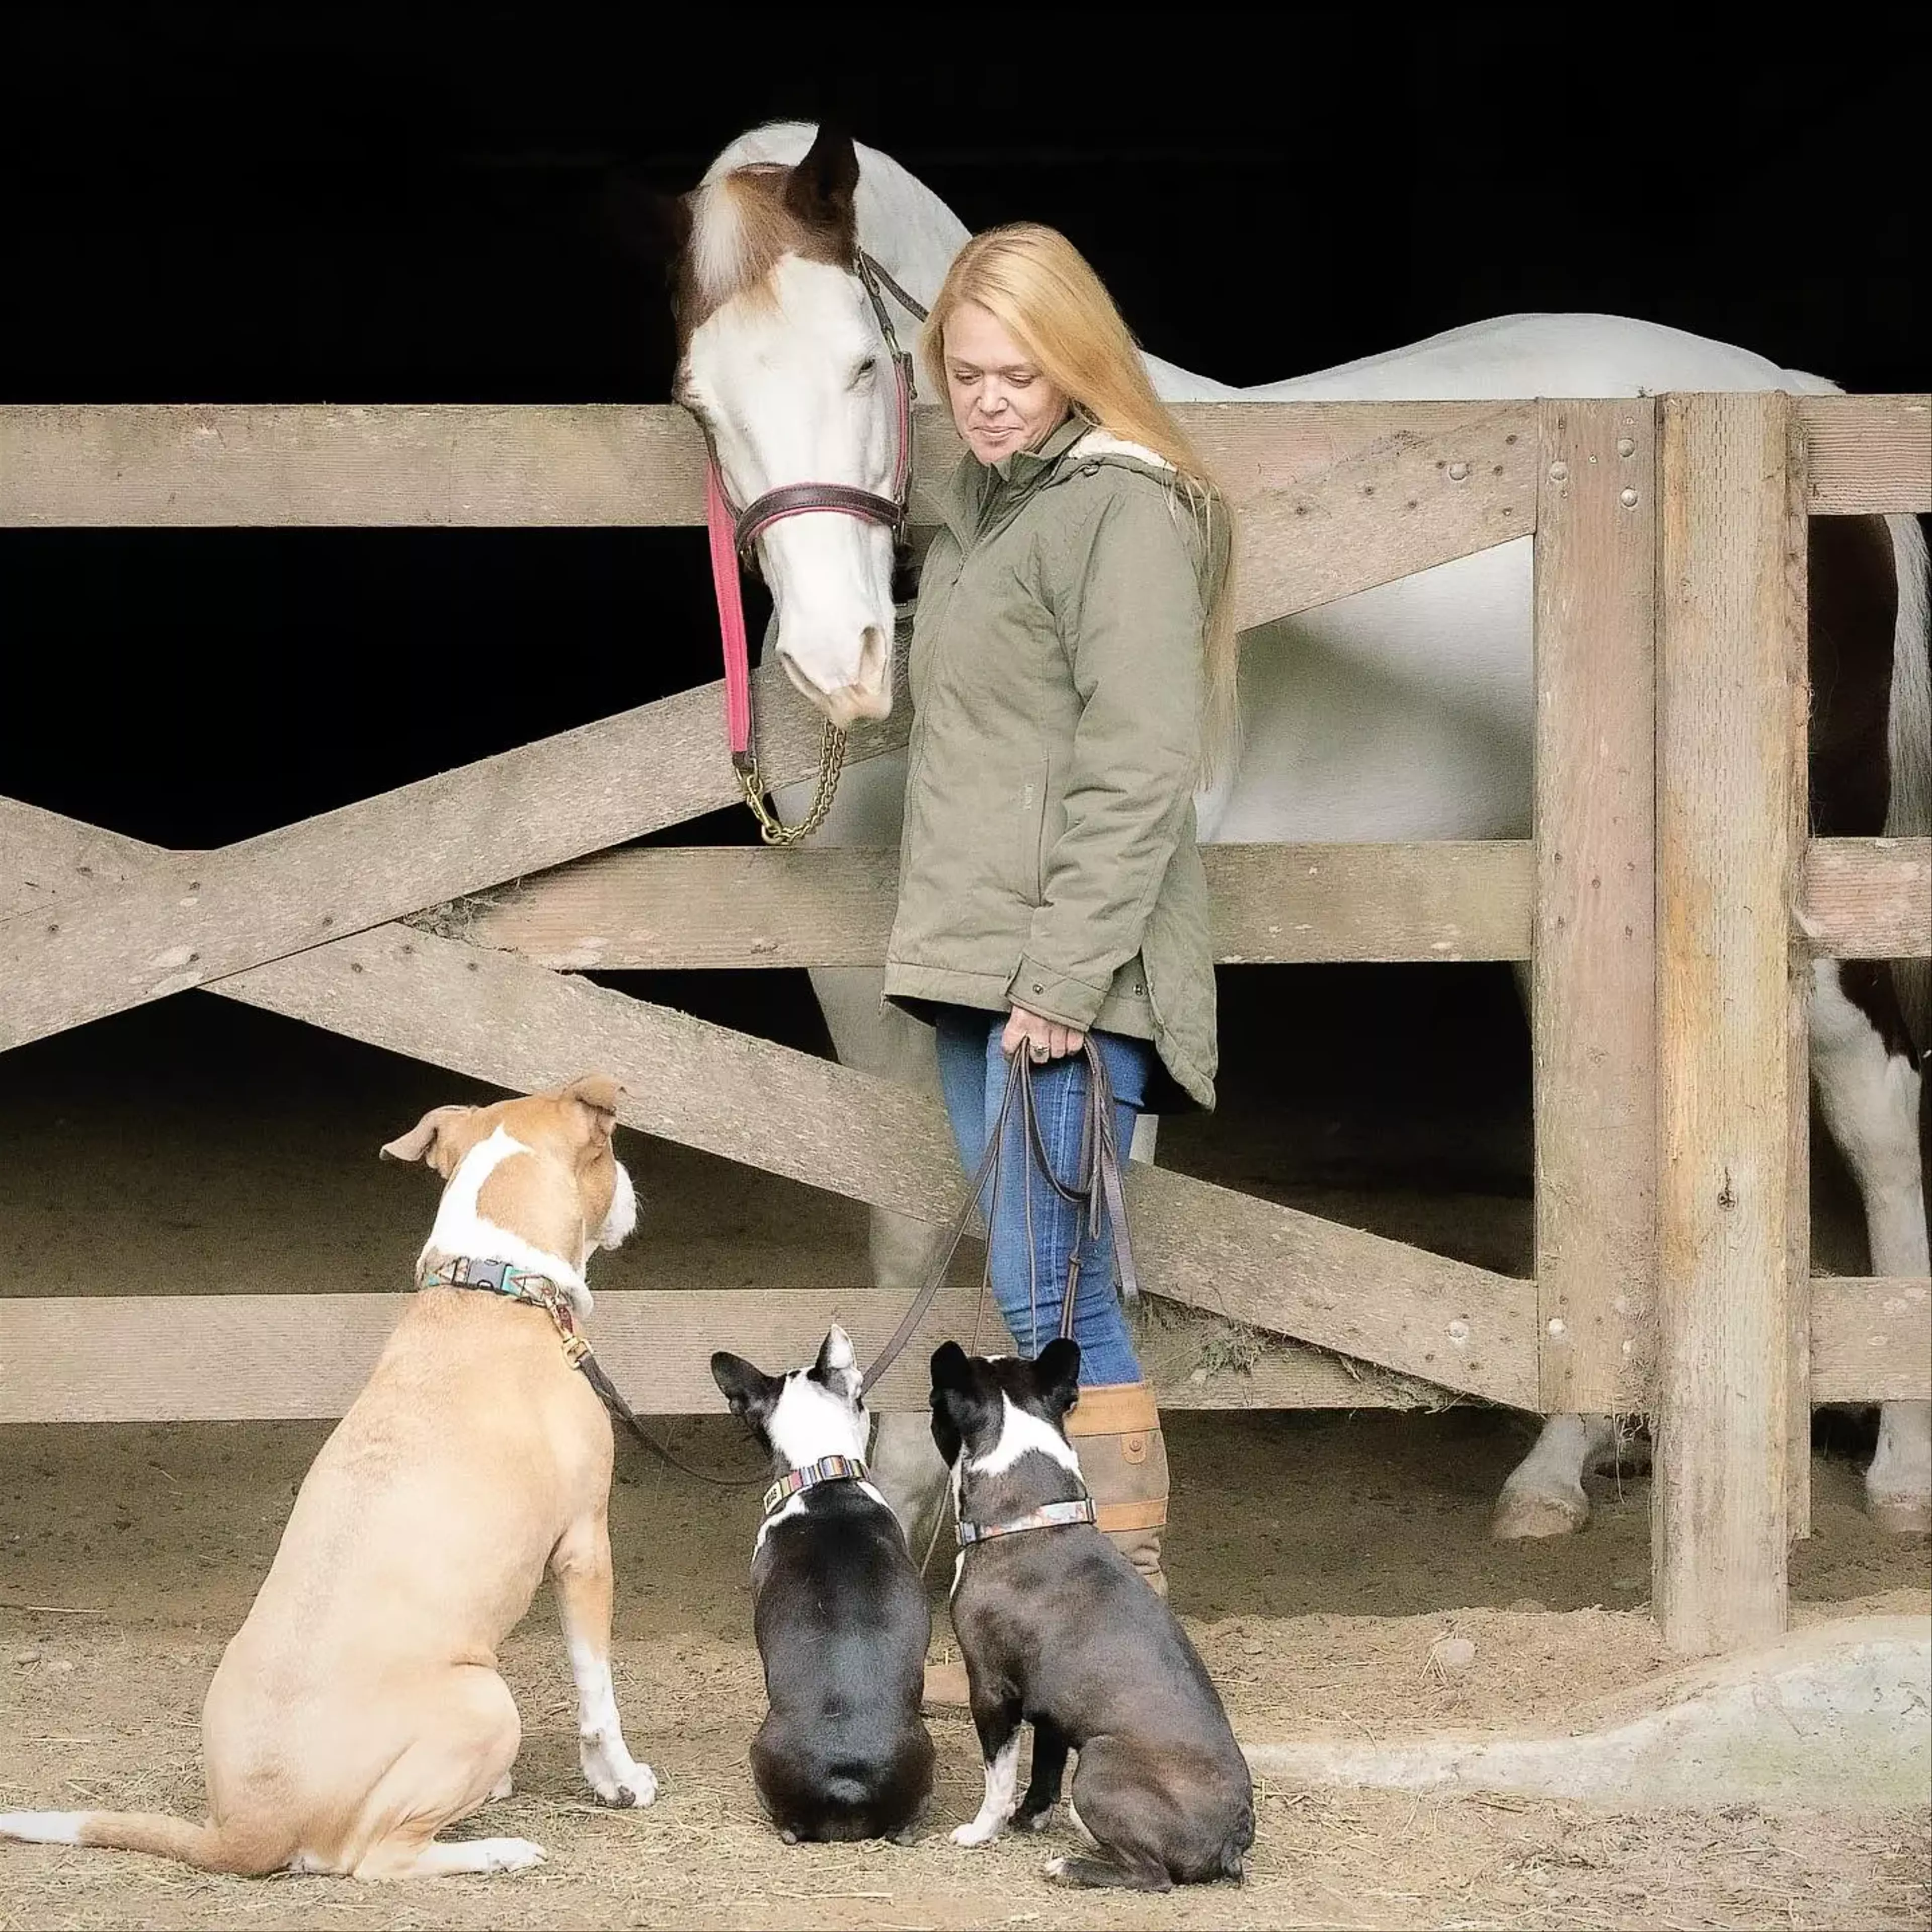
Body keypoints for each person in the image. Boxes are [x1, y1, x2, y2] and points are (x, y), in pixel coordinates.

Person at [884, 222, 1235, 1602]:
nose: (986, 400)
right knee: (1040, 1285)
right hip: (988, 962)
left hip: (1057, 973)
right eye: (964, 374)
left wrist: (1068, 979)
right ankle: (1082, 1579)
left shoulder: (1121, 511)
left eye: (1019, 376)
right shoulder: (991, 506)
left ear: (1080, 367)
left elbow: (1142, 764)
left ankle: (1120, 1587)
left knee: (1056, 1295)